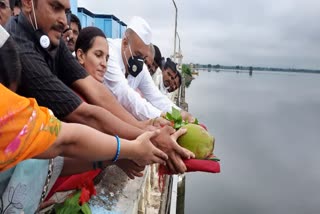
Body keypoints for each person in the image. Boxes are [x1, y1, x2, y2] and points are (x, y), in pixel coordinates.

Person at [0, 26, 174, 213]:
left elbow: (57, 162)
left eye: (107, 58)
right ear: (80, 56)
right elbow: (68, 142)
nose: (104, 64)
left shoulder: (94, 99)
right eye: (98, 55)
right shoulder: (68, 105)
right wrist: (135, 144)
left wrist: (129, 145)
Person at [6, 0, 193, 174]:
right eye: (55, 7)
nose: (64, 21)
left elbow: (98, 92)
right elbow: (85, 115)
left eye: (67, 11)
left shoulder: (49, 38)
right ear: (27, 3)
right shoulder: (20, 48)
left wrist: (141, 126)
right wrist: (144, 137)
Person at [105, 16, 194, 122]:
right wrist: (160, 116)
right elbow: (124, 94)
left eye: (143, 57)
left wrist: (181, 114)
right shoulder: (108, 53)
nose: (140, 61)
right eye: (137, 54)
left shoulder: (139, 66)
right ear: (125, 43)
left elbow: (156, 97)